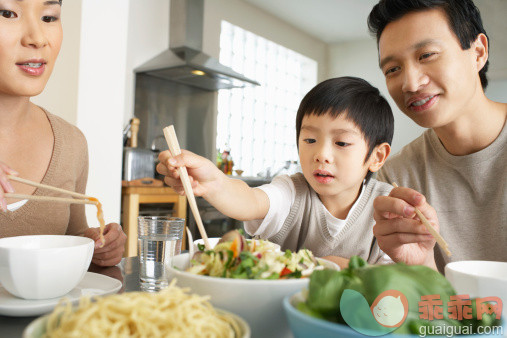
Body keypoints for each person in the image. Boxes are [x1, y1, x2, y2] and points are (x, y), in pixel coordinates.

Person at [158, 77, 395, 267]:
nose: (321, 154)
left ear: (377, 156)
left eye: (341, 143)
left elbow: (397, 279)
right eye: (310, 139)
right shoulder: (292, 191)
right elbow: (250, 200)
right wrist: (213, 183)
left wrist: (343, 266)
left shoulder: (388, 206)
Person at [367, 0, 507, 272]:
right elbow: (432, 309)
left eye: (427, 55)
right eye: (393, 69)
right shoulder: (398, 180)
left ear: (478, 52)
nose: (410, 83)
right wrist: (423, 266)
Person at [0, 0, 126, 266]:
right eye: (7, 13)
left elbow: (72, 237)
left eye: (49, 17)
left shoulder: (71, 143)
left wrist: (96, 246)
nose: (37, 38)